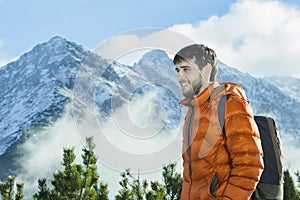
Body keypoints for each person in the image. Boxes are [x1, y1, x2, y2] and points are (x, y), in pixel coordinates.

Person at [173, 44, 264, 199]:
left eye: (186, 69)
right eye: (178, 70)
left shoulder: (230, 103)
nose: (180, 76)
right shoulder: (192, 112)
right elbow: (191, 176)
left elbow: (249, 165)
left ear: (207, 70)